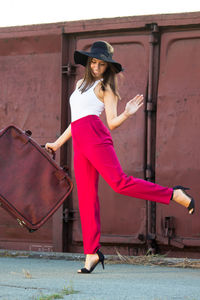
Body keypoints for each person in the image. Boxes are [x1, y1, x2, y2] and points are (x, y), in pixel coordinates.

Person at [45, 41, 195, 274]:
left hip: (96, 138)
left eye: (101, 64)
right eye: (93, 62)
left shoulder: (106, 88)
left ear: (107, 66)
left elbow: (112, 123)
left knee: (119, 183)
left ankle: (174, 194)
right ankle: (91, 253)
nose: (96, 67)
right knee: (85, 197)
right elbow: (75, 122)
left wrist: (127, 113)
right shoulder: (78, 84)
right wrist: (56, 143)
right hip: (81, 142)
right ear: (88, 62)